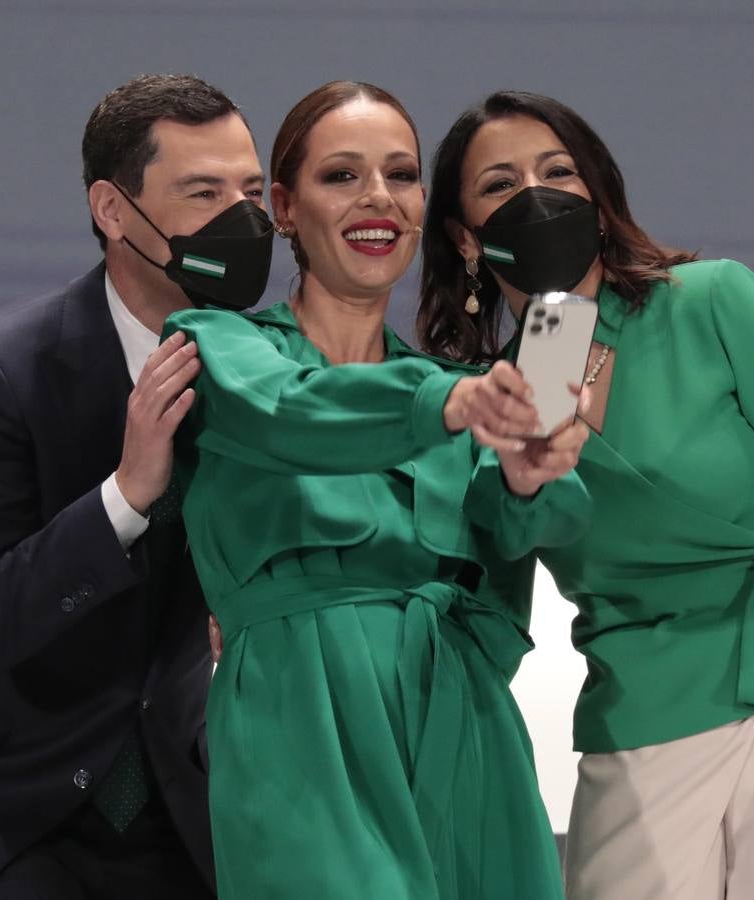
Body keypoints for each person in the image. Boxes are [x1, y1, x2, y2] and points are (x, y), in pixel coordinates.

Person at [417, 90, 754, 900]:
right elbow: (495, 600)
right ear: (464, 236)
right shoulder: (491, 393)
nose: (536, 195)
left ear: (599, 199)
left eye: (558, 170)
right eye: (499, 184)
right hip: (639, 717)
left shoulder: (713, 301)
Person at [154, 81, 590, 899]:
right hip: (301, 725)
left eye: (401, 173)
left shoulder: (458, 386)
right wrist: (447, 406)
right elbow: (293, 414)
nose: (379, 198)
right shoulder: (219, 345)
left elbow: (539, 527)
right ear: (283, 206)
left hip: (463, 726)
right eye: (343, 176)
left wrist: (532, 475)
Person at [0, 73, 272, 900]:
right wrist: (125, 497)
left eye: (250, 190)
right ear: (114, 212)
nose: (241, 220)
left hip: (170, 794)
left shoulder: (262, 367)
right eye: (203, 192)